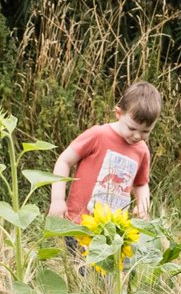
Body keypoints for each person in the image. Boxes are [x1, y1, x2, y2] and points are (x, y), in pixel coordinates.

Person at [47, 81, 160, 224]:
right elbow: (64, 161)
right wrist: (57, 200)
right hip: (79, 223)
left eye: (145, 131)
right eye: (132, 128)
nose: (137, 136)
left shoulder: (142, 150)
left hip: (113, 229)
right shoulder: (98, 135)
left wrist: (143, 206)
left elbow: (141, 184)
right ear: (118, 113)